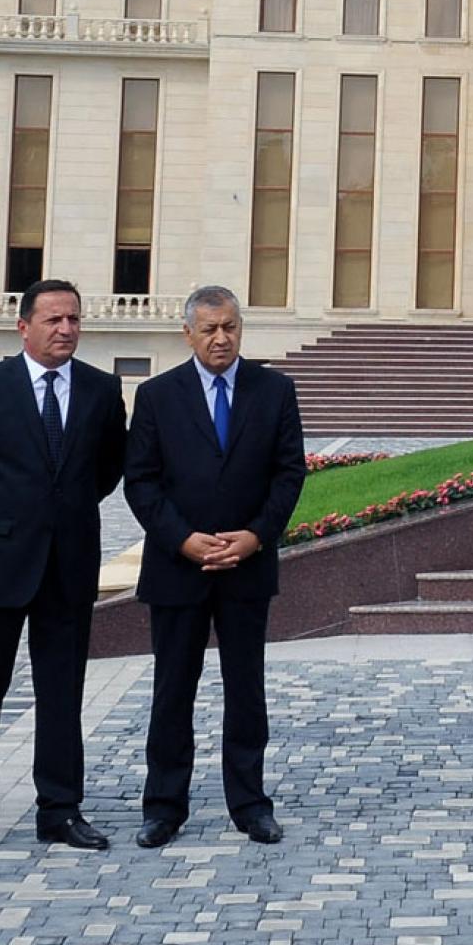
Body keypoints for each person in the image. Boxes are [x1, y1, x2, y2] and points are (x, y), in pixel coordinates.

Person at [0, 279, 128, 859]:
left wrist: (56, 518)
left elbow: (107, 470)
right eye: (53, 320)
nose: (65, 329)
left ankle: (60, 810)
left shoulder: (100, 389)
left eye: (73, 319)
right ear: (24, 327)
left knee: (63, 693)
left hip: (67, 565)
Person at [124, 284, 306, 847]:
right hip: (179, 568)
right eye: (209, 329)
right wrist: (183, 540)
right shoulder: (157, 396)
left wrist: (254, 537)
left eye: (229, 327)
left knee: (246, 689)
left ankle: (250, 804)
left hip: (246, 567)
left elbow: (289, 474)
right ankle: (164, 807)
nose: (221, 338)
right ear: (188, 334)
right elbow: (142, 481)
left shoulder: (274, 390)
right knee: (173, 688)